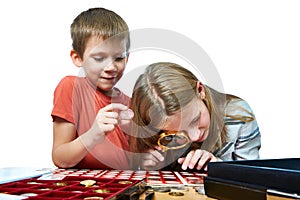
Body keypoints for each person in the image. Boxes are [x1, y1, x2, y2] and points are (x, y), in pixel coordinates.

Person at [129, 62, 261, 171]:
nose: (195, 136)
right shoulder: (155, 135)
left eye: (196, 119)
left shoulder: (239, 116)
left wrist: (220, 168)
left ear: (200, 91)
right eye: (177, 133)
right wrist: (148, 167)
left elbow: (255, 178)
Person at [51, 7, 134, 169]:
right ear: (78, 58)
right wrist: (93, 135)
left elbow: (131, 162)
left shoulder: (129, 103)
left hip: (123, 187)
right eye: (99, 58)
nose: (111, 67)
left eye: (119, 58)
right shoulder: (72, 87)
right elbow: (60, 158)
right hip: (85, 188)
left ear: (127, 58)